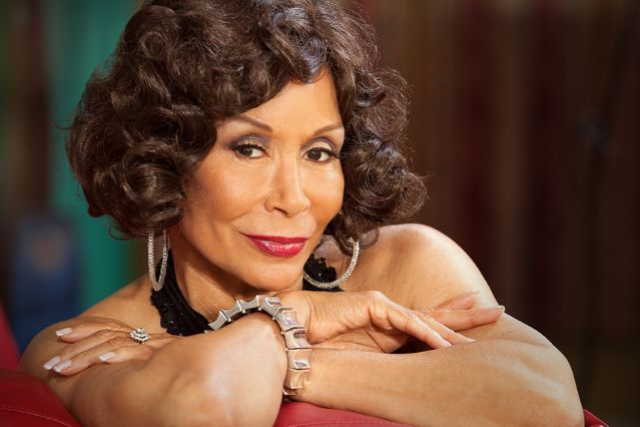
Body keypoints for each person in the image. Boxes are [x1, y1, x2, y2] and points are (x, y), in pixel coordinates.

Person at [19, 0, 584, 426]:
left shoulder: (405, 265)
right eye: (249, 148)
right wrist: (287, 319)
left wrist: (293, 356)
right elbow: (203, 406)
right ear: (162, 156)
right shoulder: (83, 344)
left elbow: (549, 404)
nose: (293, 198)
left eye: (319, 152)